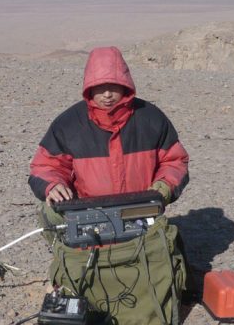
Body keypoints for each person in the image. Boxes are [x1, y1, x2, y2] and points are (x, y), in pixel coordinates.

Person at [28, 46, 189, 324]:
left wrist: (163, 187)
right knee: (50, 216)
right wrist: (52, 184)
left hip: (140, 212)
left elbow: (175, 161)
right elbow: (45, 166)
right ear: (88, 87)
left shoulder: (151, 118)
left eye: (113, 86)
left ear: (126, 84)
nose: (106, 94)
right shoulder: (69, 123)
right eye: (99, 87)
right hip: (89, 216)